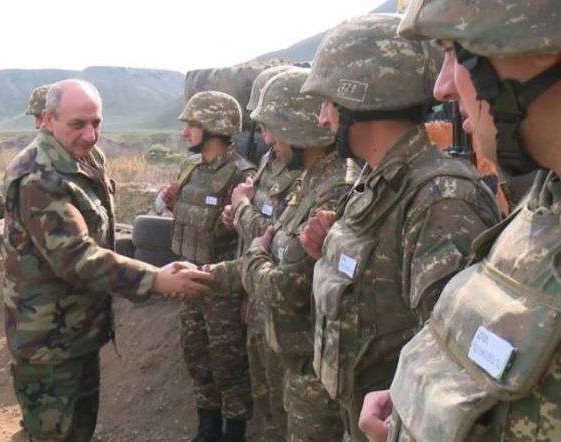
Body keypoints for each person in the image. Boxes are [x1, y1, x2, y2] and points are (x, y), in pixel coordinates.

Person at [357, 2, 561, 441]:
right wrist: (417, 402)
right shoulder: (542, 206)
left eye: (453, 52)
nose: (442, 87)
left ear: (537, 39)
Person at [298, 13, 501, 440]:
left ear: (359, 98)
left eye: (327, 102)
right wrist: (329, 249)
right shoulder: (378, 183)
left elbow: (452, 372)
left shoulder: (440, 201)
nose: (321, 119)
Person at [1, 79, 214, 441]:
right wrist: (155, 278)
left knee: (79, 431)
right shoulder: (39, 176)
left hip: (79, 328)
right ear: (48, 120)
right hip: (47, 343)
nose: (90, 135)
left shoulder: (85, 158)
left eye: (96, 123)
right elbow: (76, 257)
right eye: (77, 124)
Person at [210, 67, 347, 440]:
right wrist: (213, 273)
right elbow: (277, 247)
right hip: (288, 350)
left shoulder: (333, 188)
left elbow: (287, 284)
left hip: (310, 364)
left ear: (299, 128)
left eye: (273, 128)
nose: (267, 140)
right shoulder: (311, 180)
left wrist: (254, 255)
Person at [160, 90, 256, 441]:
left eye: (192, 124)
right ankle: (207, 430)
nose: (185, 132)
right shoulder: (190, 169)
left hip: (224, 289)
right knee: (197, 357)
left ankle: (234, 434)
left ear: (215, 126)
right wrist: (171, 202)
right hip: (191, 281)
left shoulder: (243, 175)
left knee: (229, 365)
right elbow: (191, 216)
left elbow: (252, 233)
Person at [218, 64, 302, 440]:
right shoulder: (271, 160)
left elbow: (277, 236)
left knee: (285, 417)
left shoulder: (305, 173)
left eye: (270, 126)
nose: (265, 137)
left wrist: (241, 210)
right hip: (258, 298)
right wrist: (236, 215)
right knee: (266, 406)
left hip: (284, 314)